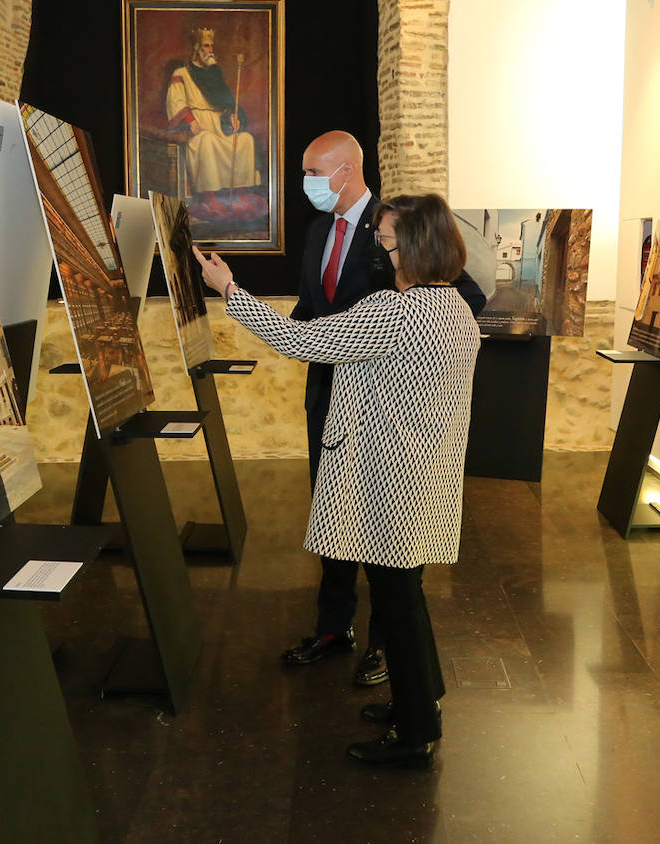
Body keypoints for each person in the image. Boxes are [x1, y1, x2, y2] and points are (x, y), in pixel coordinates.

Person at [193, 192, 479, 768]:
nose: (381, 247)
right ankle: (420, 699)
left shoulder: (397, 312)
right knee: (406, 599)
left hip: (388, 484)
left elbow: (303, 341)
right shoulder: (454, 310)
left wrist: (230, 290)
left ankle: (415, 732)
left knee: (396, 606)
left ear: (415, 246)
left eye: (389, 239)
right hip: (424, 476)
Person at [284, 130, 484, 688]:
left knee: (389, 542)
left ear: (346, 172)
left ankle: (384, 645)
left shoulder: (401, 228)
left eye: (313, 173)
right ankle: (333, 627)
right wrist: (316, 337)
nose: (308, 185)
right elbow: (308, 311)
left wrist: (392, 334)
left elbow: (464, 294)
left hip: (390, 411)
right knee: (336, 512)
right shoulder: (319, 231)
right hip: (329, 395)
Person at [166, 27, 259, 193]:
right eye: (206, 46)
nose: (211, 50)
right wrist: (191, 122)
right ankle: (211, 196)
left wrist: (232, 116)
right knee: (207, 141)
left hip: (219, 127)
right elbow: (177, 101)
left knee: (246, 140)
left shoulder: (214, 76)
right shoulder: (182, 73)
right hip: (198, 128)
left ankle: (240, 194)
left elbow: (226, 103)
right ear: (196, 49)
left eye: (211, 46)